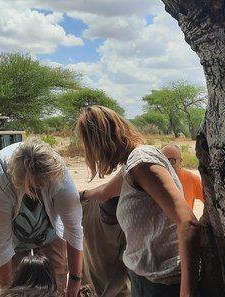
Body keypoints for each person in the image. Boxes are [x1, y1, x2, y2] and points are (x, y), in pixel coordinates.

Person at [76, 106, 201, 297]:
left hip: (164, 282)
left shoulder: (142, 162)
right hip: (143, 278)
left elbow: (188, 222)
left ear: (99, 143)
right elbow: (104, 192)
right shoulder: (130, 165)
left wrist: (187, 291)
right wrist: (79, 195)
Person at [0, 137, 83, 297]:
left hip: (49, 229)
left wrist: (75, 280)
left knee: (56, 281)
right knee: (18, 283)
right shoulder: (1, 177)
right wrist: (8, 291)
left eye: (44, 184)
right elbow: (1, 241)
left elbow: (74, 228)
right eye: (36, 185)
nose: (41, 187)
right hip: (14, 233)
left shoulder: (57, 173)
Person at [80, 196, 130, 297]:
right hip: (88, 288)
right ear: (102, 200)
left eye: (113, 218)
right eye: (104, 213)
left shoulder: (129, 228)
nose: (106, 218)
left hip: (118, 292)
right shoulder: (88, 204)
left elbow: (122, 270)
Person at [161, 144, 204, 210]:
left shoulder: (192, 179)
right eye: (163, 160)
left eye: (172, 161)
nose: (167, 164)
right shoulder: (152, 179)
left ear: (180, 161)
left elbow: (211, 203)